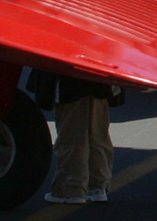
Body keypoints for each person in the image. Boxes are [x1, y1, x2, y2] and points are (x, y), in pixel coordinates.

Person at [28, 70, 117, 205]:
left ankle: (70, 188)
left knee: (72, 133)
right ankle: (97, 186)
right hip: (100, 76)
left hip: (71, 79)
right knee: (97, 131)